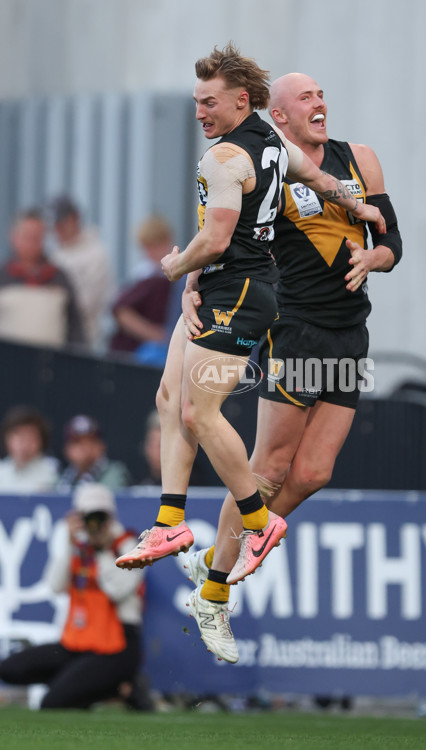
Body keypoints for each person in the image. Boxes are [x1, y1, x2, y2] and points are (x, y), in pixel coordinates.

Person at [115, 45, 386, 660]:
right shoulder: (268, 143)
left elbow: (216, 236)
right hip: (238, 294)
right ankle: (173, 523)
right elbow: (299, 187)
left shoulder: (230, 155)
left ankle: (248, 536)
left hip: (248, 295)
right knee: (171, 398)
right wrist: (359, 205)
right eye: (195, 102)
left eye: (208, 102)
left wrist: (173, 266)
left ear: (243, 101)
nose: (199, 112)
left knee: (212, 423)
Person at [180, 72, 402, 662]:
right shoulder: (266, 164)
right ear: (277, 114)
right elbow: (222, 233)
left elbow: (392, 241)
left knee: (316, 473)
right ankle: (214, 589)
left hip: (351, 331)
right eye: (306, 98)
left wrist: (373, 257)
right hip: (295, 328)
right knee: (272, 468)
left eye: (322, 94)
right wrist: (191, 280)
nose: (320, 104)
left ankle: (217, 558)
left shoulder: (361, 160)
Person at [0, 483, 149, 710]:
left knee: (51, 703)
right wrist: (70, 546)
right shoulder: (78, 546)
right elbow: (55, 586)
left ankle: (117, 686)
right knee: (9, 669)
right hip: (78, 641)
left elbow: (116, 590)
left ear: (110, 516)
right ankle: (99, 687)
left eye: (99, 516)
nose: (94, 523)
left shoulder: (131, 546)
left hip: (116, 646)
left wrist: (101, 550)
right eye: (88, 516)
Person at [0, 208, 84, 349]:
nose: (32, 243)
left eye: (37, 237)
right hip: (6, 364)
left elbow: (76, 329)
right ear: (13, 237)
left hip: (51, 365)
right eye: (27, 236)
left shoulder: (59, 278)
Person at [49, 195, 115, 350]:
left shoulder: (96, 254)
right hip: (56, 335)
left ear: (75, 219)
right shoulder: (55, 254)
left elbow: (88, 303)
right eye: (54, 226)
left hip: (86, 337)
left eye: (61, 224)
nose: (57, 231)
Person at [108, 216, 173, 361]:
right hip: (137, 353)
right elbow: (121, 310)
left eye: (154, 246)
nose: (149, 253)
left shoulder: (168, 275)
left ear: (167, 242)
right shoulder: (147, 275)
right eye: (146, 247)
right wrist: (157, 335)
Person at [0, 405, 58, 493]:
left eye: (31, 437)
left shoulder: (53, 472)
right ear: (7, 438)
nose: (25, 444)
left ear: (41, 440)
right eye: (19, 436)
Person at [56, 415, 131, 491]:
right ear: (66, 449)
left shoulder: (114, 472)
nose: (85, 447)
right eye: (77, 442)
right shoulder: (64, 475)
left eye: (91, 440)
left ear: (102, 445)